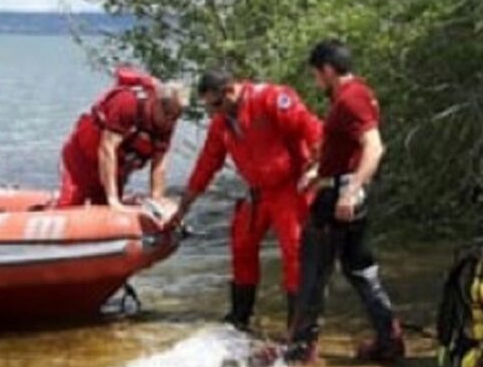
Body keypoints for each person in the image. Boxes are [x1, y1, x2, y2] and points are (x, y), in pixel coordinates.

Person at [172, 70, 322, 330]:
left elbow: (314, 131)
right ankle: (240, 317)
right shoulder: (223, 122)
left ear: (231, 91)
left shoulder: (272, 99)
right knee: (241, 242)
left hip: (290, 186)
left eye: (216, 105)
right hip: (259, 189)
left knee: (295, 252)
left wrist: (317, 169)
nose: (213, 112)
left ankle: (299, 327)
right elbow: (207, 164)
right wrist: (184, 205)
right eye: (208, 107)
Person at [286, 39, 404, 364]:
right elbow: (348, 149)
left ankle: (300, 348)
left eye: (315, 75)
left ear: (327, 70)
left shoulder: (351, 100)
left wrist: (348, 190)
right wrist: (316, 172)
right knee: (360, 269)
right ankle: (389, 339)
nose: (315, 81)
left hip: (338, 199)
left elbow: (374, 147)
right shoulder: (359, 93)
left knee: (313, 271)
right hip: (345, 191)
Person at [57, 67, 188, 210]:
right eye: (167, 113)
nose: (170, 121)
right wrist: (112, 198)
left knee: (107, 211)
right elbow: (107, 149)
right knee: (71, 204)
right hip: (82, 159)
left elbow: (159, 164)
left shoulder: (166, 126)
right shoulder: (127, 104)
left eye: (176, 116)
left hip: (116, 170)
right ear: (156, 101)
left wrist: (157, 198)